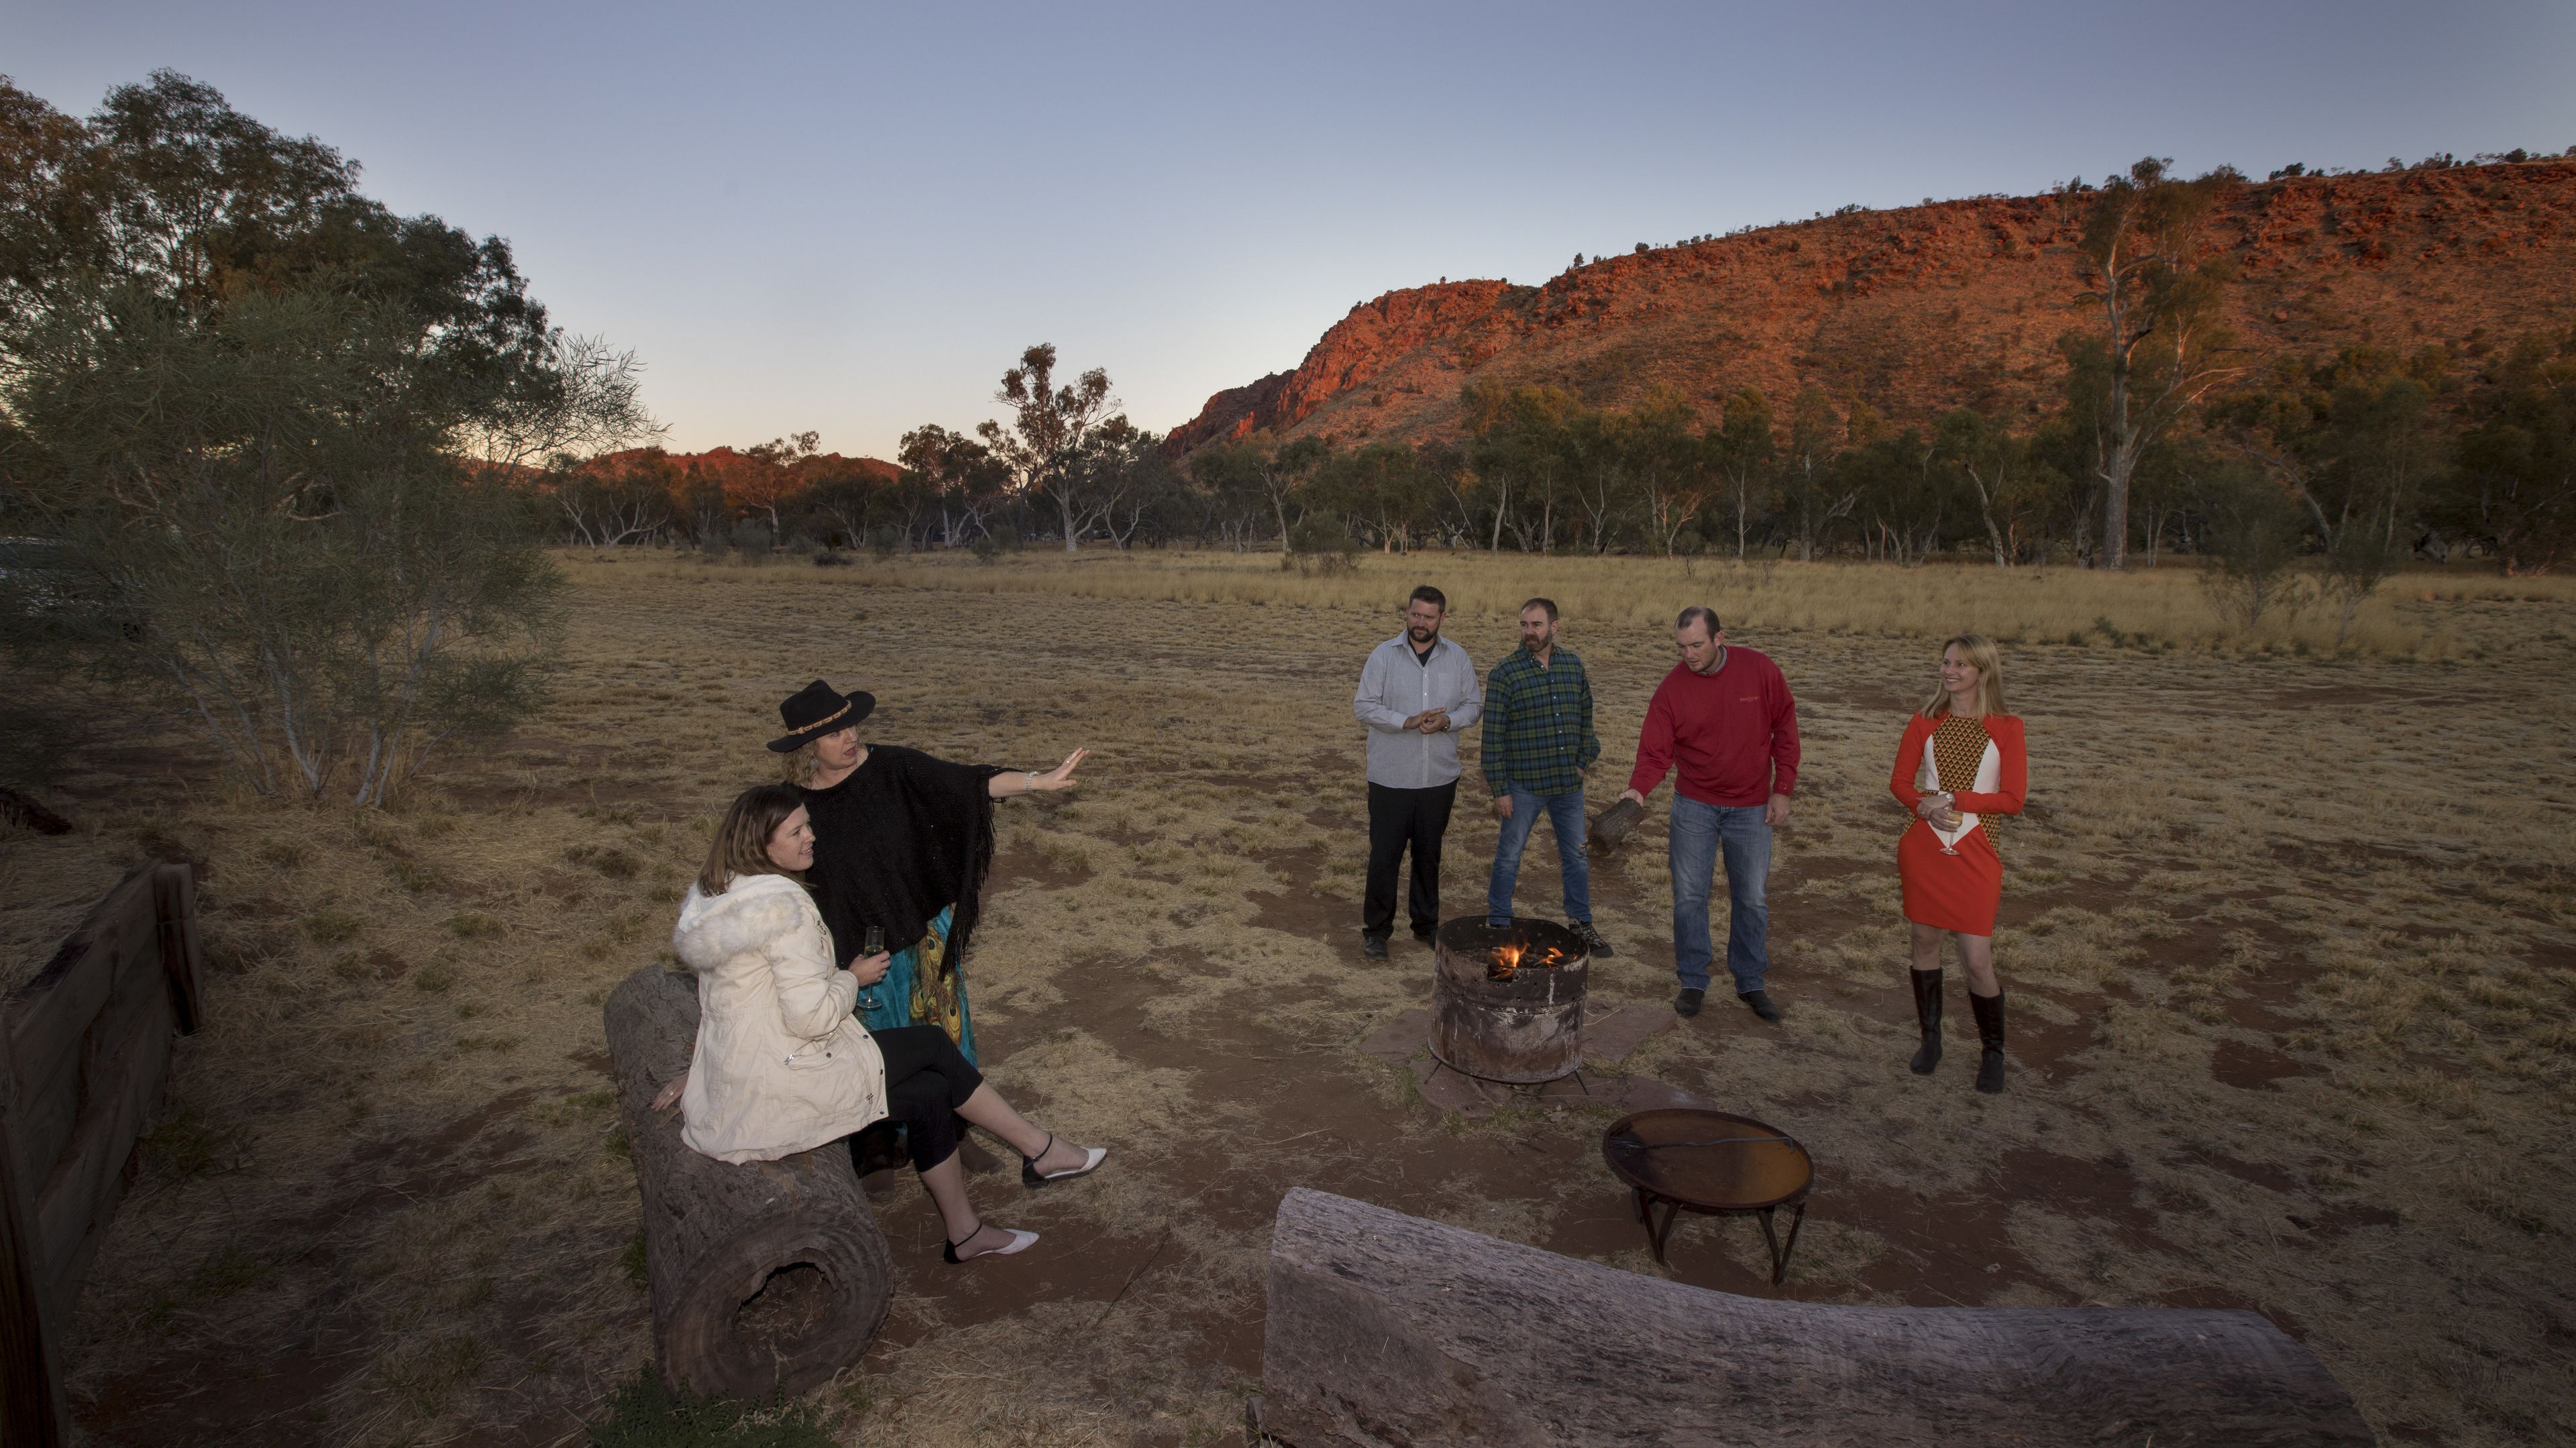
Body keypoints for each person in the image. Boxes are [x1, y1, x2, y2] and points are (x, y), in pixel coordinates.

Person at [663, 786, 1106, 1262]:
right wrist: (851, 979)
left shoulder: (724, 897)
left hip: (753, 1077)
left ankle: (967, 1232)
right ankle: (1040, 1150)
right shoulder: (782, 910)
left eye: (808, 824)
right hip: (784, 1082)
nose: (812, 836)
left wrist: (702, 1068)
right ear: (760, 844)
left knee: (931, 1089)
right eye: (797, 831)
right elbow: (811, 1017)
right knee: (933, 1044)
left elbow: (731, 1007)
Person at [768, 679, 1085, 1063]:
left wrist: (1039, 781)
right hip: (854, 957)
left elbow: (967, 783)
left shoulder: (892, 768)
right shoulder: (790, 806)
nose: (850, 737)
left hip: (921, 936)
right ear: (808, 747)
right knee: (879, 1061)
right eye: (836, 733)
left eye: (851, 726)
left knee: (942, 1046)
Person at [1619, 606, 1801, 1021]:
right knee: (1689, 898)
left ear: (1721, 638)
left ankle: (1751, 979)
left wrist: (1783, 789)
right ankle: (1693, 980)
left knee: (1751, 898)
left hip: (1752, 805)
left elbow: (1785, 729)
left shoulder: (1760, 670)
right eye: (1681, 647)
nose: (1688, 655)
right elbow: (1654, 753)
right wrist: (1637, 791)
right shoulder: (1671, 689)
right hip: (1695, 805)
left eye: (1697, 645)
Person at [1888, 634, 2027, 1094]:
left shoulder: (2007, 726)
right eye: (1946, 662)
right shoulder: (1925, 721)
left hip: (1976, 850)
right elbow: (1899, 783)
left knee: (1977, 958)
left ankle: (1993, 1051)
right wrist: (1923, 804)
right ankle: (1931, 1039)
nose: (1949, 671)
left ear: (1982, 673)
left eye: (1960, 665)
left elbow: (2013, 799)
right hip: (1925, 847)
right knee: (1924, 941)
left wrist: (1954, 799)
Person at [1352, 586, 1481, 958]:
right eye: (1414, 615)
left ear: (1442, 618)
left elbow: (1474, 706)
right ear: (1407, 614)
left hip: (1438, 778)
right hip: (1390, 777)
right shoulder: (1384, 656)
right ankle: (1377, 931)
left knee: (1429, 854)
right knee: (1385, 857)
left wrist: (1447, 720)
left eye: (1428, 616)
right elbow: (1363, 706)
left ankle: (1426, 925)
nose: (1420, 623)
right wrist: (1404, 721)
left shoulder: (1457, 658)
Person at [1481, 598, 1612, 956]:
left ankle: (1581, 923)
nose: (1529, 633)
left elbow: (1587, 719)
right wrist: (1500, 790)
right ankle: (1500, 920)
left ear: (1554, 626)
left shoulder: (1572, 665)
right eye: (1524, 625)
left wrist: (1584, 761)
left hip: (1568, 786)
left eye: (1536, 625)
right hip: (1524, 785)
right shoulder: (1505, 673)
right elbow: (1492, 738)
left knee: (1576, 855)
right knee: (1510, 854)